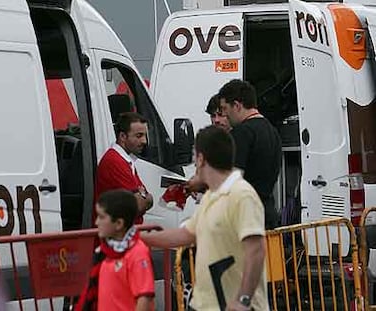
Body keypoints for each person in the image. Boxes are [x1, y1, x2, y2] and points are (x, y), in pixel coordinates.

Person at [142, 126, 268, 311]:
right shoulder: (211, 196)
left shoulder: (242, 195)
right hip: (207, 305)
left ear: (200, 159)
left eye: (194, 156)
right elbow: (185, 235)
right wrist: (139, 238)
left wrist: (243, 299)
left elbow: (256, 249)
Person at [76, 190, 155, 311]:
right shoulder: (102, 252)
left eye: (102, 217)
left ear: (118, 224)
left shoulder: (137, 253)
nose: (96, 222)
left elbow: (144, 298)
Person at [218, 79, 282, 229]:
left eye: (225, 108)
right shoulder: (273, 132)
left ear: (237, 105)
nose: (224, 114)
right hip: (267, 215)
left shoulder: (241, 133)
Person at [96, 112, 153, 224]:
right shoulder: (115, 161)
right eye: (139, 136)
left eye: (145, 136)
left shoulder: (125, 160)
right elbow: (138, 205)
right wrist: (146, 198)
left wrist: (144, 197)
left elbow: (143, 197)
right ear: (122, 136)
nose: (144, 141)